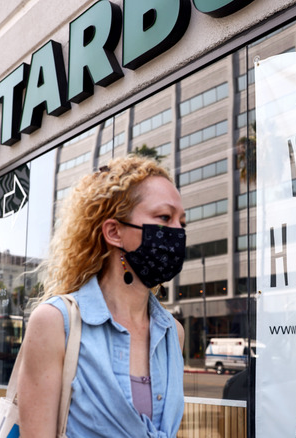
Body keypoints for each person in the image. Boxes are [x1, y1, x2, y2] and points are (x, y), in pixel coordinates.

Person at [17, 155, 187, 437]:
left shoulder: (173, 332)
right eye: (164, 218)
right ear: (114, 232)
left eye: (182, 222)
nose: (178, 232)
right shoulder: (56, 323)